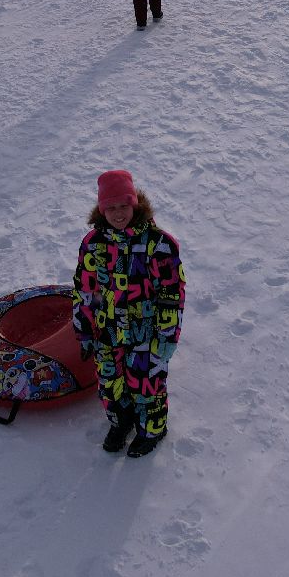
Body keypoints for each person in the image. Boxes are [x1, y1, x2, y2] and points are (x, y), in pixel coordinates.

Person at [71, 170, 186, 458]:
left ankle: (152, 429)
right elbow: (86, 289)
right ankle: (121, 423)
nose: (118, 213)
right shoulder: (93, 243)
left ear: (135, 204)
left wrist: (167, 336)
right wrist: (84, 328)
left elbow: (171, 295)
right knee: (110, 384)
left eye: (124, 205)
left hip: (146, 332)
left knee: (146, 384)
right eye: (111, 207)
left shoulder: (158, 244)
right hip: (107, 330)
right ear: (101, 209)